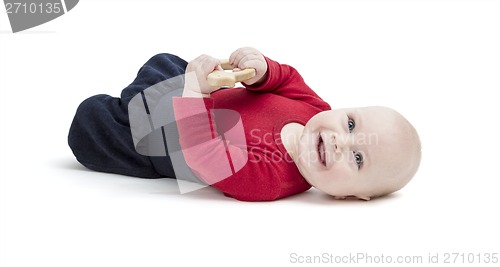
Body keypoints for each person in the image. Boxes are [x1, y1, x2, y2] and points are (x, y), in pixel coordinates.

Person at [68, 47, 421, 201]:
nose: (342, 143)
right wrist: (262, 69)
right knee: (165, 61)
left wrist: (192, 93)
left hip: (168, 146)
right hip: (199, 99)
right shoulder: (316, 108)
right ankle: (144, 99)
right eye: (350, 124)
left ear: (349, 197)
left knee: (90, 122)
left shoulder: (272, 180)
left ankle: (136, 107)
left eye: (358, 159)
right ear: (344, 109)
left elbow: (204, 153)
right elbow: (286, 79)